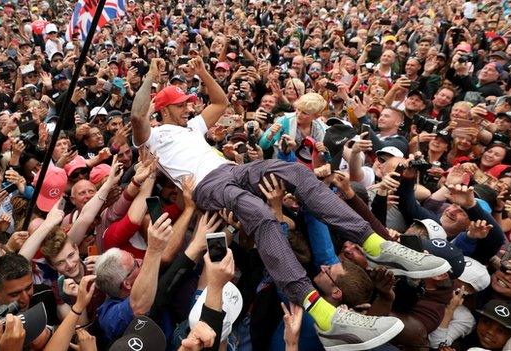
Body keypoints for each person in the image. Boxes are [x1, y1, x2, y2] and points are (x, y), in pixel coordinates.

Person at [130, 57, 450, 349]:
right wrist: (151, 77)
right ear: (163, 109)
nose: (189, 107)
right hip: (204, 185)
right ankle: (323, 314)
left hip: (233, 170)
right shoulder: (153, 137)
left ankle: (375, 243)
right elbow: (135, 114)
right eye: (182, 104)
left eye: (189, 102)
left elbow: (221, 101)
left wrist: (201, 72)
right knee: (260, 213)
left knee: (295, 170)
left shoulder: (191, 127)